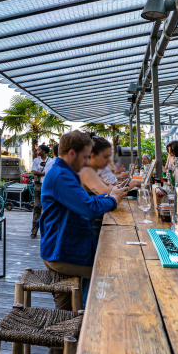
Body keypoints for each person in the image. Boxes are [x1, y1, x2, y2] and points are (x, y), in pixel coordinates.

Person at [41, 131, 135, 309]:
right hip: (60, 253)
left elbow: (86, 201)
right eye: (85, 157)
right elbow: (88, 209)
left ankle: (73, 318)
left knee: (65, 309)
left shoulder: (63, 172)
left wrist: (109, 197)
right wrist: (112, 200)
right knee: (113, 274)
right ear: (72, 154)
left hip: (59, 248)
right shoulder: (62, 175)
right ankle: (89, 318)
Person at [79, 137, 123, 245]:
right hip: (91, 223)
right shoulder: (85, 171)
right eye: (105, 157)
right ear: (93, 155)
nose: (108, 162)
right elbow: (107, 193)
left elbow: (110, 186)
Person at [30, 145, 50, 239]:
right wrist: (43, 173)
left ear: (44, 151)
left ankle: (46, 230)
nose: (37, 151)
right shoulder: (36, 160)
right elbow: (34, 172)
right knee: (37, 206)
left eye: (39, 150)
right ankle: (34, 229)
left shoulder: (50, 160)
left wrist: (42, 173)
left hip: (47, 185)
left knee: (47, 207)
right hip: (38, 185)